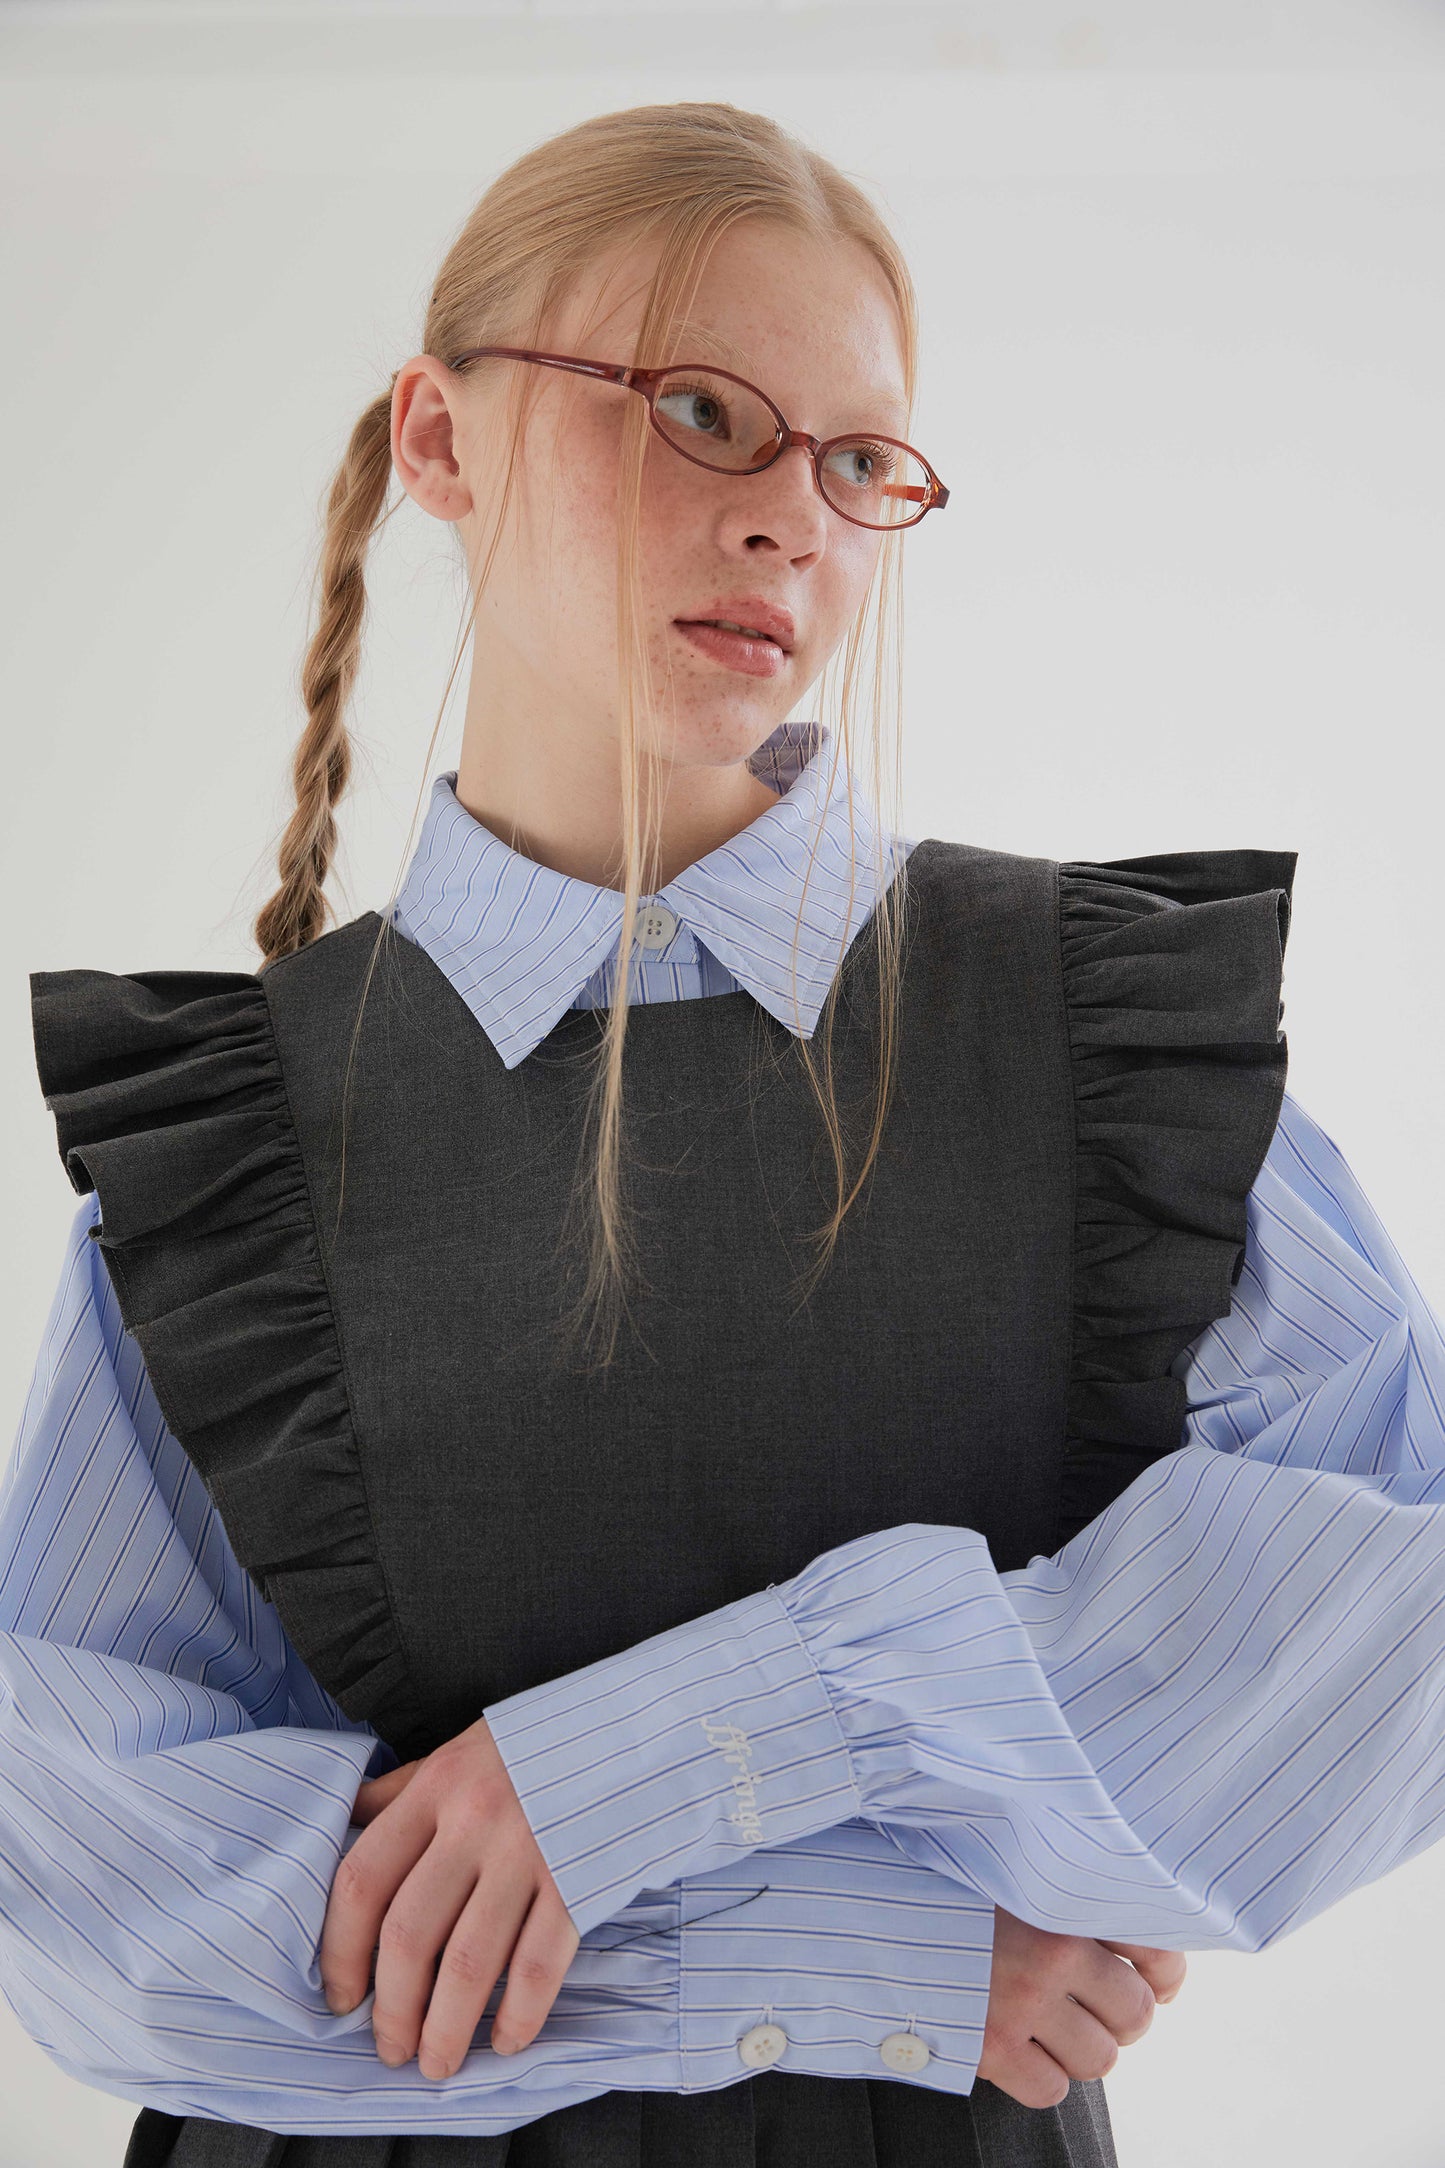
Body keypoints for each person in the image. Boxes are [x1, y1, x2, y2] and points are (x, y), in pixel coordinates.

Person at [6, 97, 1445, 2168]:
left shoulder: (1097, 1047)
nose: (789, 521)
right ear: (441, 440)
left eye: (854, 462)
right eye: (697, 412)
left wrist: (670, 1749)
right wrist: (855, 1948)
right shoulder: (238, 1143)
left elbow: (1401, 1609)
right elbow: (89, 1889)